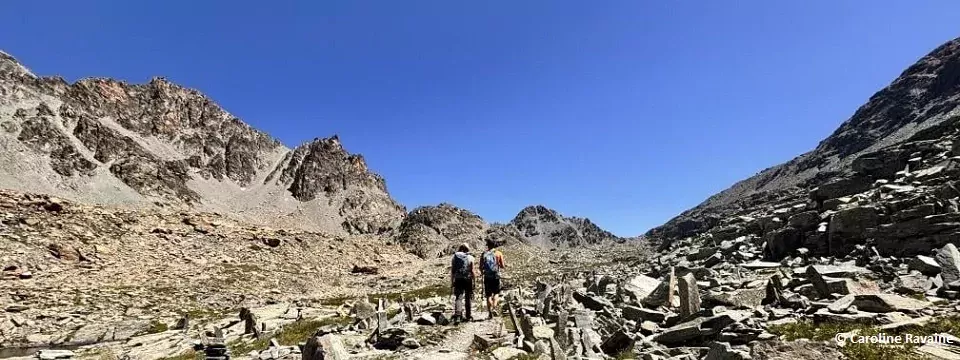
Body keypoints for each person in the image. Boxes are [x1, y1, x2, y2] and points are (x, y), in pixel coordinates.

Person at [450, 243, 477, 323]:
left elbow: (452, 271)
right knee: (468, 297)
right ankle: (468, 316)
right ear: (467, 250)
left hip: (458, 279)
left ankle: (458, 316)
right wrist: (474, 281)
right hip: (468, 279)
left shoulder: (455, 257)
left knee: (458, 297)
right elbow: (472, 271)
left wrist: (452, 281)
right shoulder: (471, 257)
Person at [480, 238, 506, 319]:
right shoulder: (498, 253)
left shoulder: (484, 254)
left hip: (487, 276)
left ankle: (489, 313)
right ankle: (494, 308)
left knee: (488, 295)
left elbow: (480, 267)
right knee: (496, 293)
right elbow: (502, 266)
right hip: (496, 276)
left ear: (488, 245)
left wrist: (482, 272)